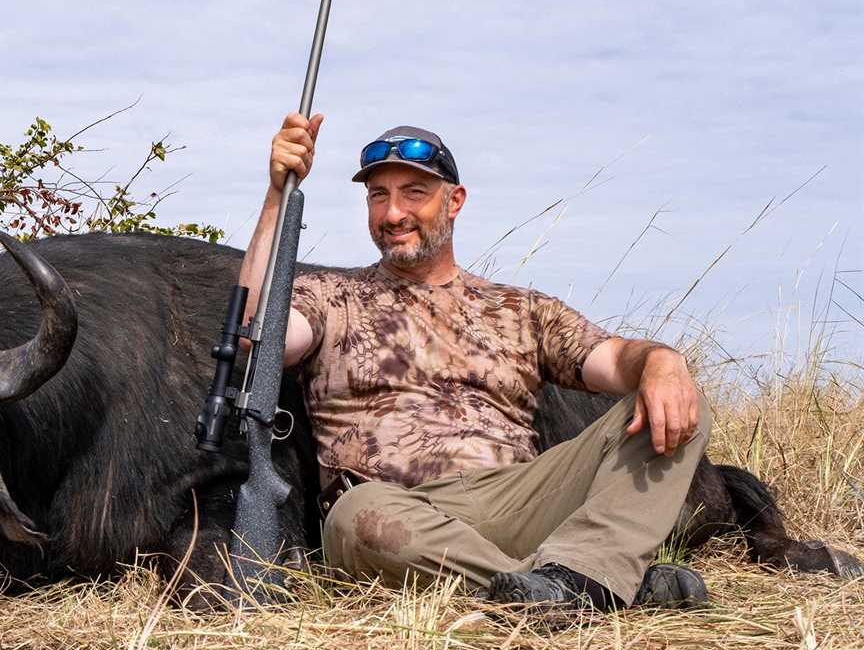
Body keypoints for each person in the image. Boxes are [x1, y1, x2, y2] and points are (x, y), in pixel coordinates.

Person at [238, 112, 712, 612]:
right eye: (379, 196)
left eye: (414, 193)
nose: (393, 213)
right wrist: (277, 196)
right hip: (401, 515)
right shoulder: (331, 296)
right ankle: (587, 583)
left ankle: (569, 578)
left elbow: (615, 360)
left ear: (455, 200)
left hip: (521, 498)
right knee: (359, 516)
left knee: (680, 397)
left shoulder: (523, 309)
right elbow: (258, 334)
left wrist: (661, 360)